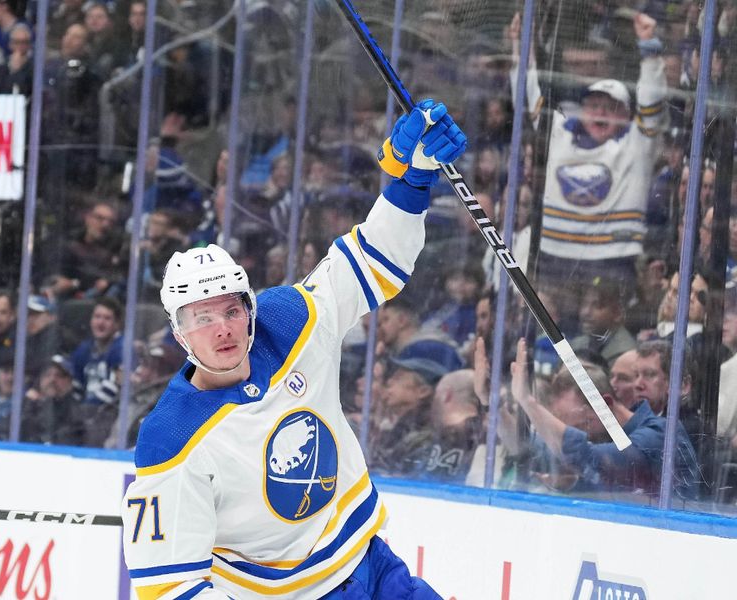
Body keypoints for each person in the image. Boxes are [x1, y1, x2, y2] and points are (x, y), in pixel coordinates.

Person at [121, 98, 466, 598]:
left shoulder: (290, 321)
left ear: (250, 309)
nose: (223, 329)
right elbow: (172, 589)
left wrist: (412, 178)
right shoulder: (170, 437)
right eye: (202, 318)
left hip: (372, 564)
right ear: (178, 333)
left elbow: (374, 260)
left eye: (232, 310)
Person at [509, 12, 667, 316]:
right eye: (594, 105)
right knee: (543, 323)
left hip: (613, 260)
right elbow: (526, 95)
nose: (600, 113)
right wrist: (521, 44)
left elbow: (652, 106)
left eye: (611, 108)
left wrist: (649, 48)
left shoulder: (637, 142)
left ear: (626, 115)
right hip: (555, 257)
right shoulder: (559, 131)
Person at [509, 339, 700, 499]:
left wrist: (528, 402)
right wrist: (493, 405)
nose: (579, 435)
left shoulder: (660, 434)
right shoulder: (612, 438)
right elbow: (536, 447)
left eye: (581, 426)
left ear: (605, 405)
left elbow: (586, 455)